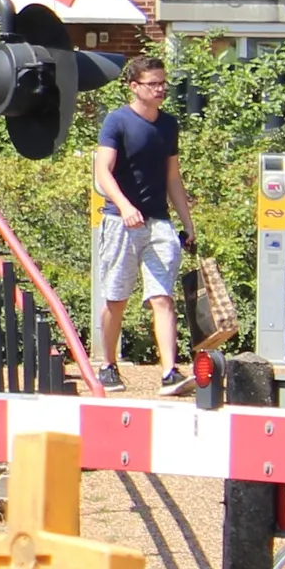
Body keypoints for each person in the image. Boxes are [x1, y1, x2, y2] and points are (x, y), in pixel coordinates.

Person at [93, 54, 192, 393]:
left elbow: (173, 177)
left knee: (162, 295)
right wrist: (123, 206)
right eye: (153, 84)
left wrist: (188, 224)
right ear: (134, 87)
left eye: (163, 83)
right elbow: (102, 171)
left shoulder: (168, 124)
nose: (161, 89)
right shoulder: (116, 122)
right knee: (116, 298)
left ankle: (169, 372)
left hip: (159, 223)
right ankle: (107, 365)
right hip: (120, 223)